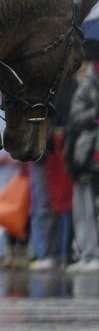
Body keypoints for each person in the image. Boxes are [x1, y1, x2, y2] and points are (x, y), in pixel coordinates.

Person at [65, 52, 99, 271]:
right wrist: (95, 114)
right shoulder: (88, 86)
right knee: (84, 207)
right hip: (87, 155)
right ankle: (88, 253)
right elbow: (75, 117)